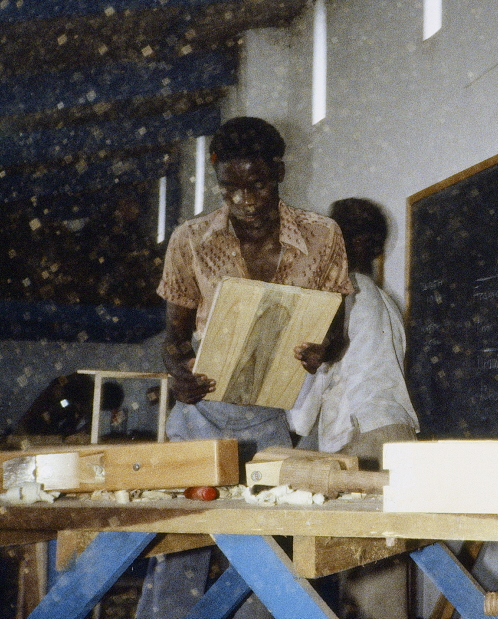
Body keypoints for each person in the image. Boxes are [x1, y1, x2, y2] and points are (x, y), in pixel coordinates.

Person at [136, 116, 353, 619]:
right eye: (229, 187)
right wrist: (179, 374)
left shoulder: (322, 236)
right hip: (200, 418)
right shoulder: (191, 239)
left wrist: (322, 351)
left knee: (266, 559)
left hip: (272, 419)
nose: (243, 200)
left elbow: (337, 334)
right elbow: (174, 341)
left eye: (256, 184)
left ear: (278, 172)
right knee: (180, 552)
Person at [289, 197, 419, 619]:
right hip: (394, 435)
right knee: (384, 564)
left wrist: (291, 422)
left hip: (364, 437)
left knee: (366, 572)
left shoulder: (339, 296)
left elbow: (315, 382)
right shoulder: (384, 300)